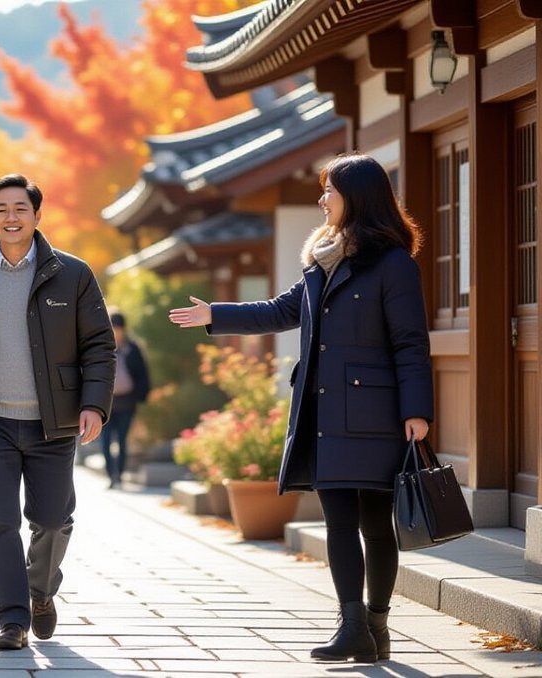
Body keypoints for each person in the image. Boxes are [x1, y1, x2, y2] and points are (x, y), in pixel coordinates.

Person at [168, 153, 432, 664]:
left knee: (376, 524)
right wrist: (214, 314)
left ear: (356, 197)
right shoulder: (321, 260)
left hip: (378, 414)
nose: (321, 199)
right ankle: (351, 624)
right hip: (325, 410)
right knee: (336, 520)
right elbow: (280, 310)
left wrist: (416, 411)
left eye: (329, 190)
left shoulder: (394, 263)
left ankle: (376, 626)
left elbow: (410, 343)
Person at [0, 173, 116, 651]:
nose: (10, 218)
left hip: (53, 421)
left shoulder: (72, 274)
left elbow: (99, 345)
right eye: (1, 210)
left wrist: (94, 404)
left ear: (37, 215)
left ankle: (39, 592)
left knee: (53, 519)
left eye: (20, 209)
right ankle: (12, 619)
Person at [102, 311, 150, 489]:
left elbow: (142, 375)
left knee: (121, 440)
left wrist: (141, 395)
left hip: (127, 402)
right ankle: (110, 476)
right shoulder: (101, 347)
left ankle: (119, 475)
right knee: (105, 440)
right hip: (105, 402)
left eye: (118, 328)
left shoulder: (133, 348)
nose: (116, 332)